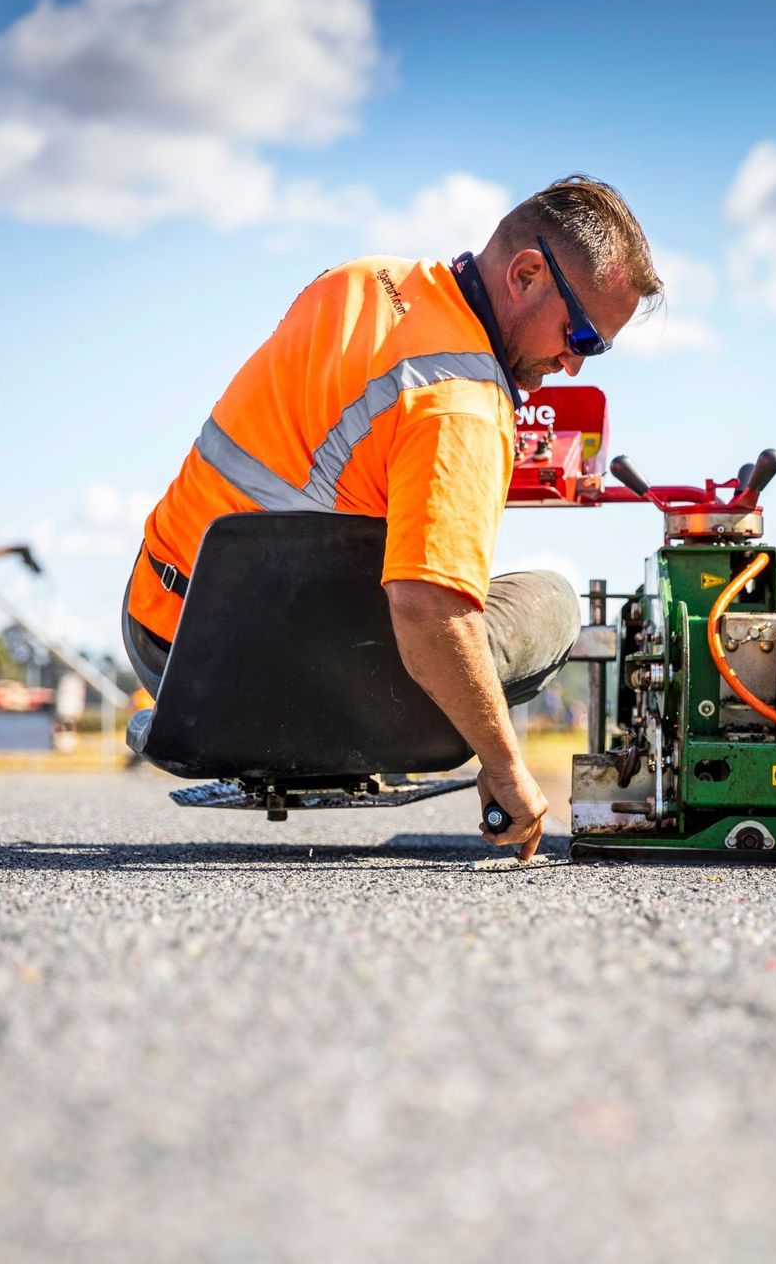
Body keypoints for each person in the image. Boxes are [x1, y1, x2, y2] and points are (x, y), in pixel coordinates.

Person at [123, 175, 662, 860]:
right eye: (580, 335)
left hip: (161, 640)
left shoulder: (361, 280)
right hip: (257, 684)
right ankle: (313, 740)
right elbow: (429, 609)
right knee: (553, 598)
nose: (573, 363)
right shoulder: (464, 405)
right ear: (526, 274)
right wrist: (504, 766)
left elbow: (328, 445)